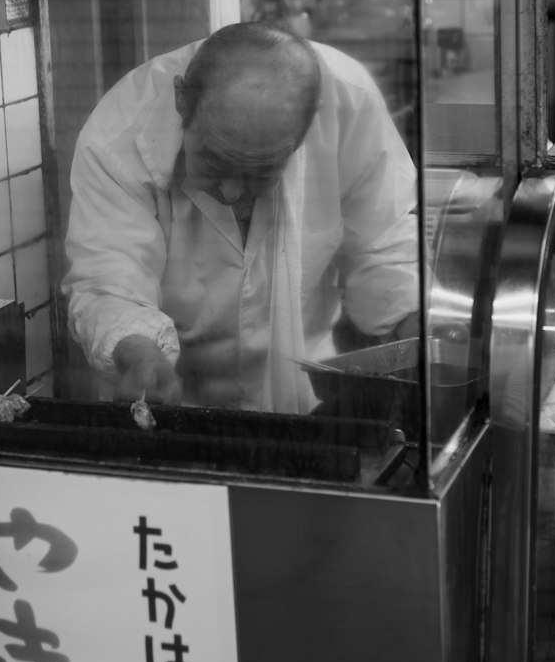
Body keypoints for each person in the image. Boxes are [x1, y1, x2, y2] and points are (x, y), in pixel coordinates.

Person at [62, 22, 420, 414]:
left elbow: (382, 247)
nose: (232, 192)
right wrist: (141, 355)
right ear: (183, 100)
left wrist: (420, 328)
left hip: (303, 397)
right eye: (215, 161)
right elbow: (107, 281)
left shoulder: (349, 105)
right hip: (169, 403)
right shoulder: (118, 137)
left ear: (306, 129)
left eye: (260, 171)